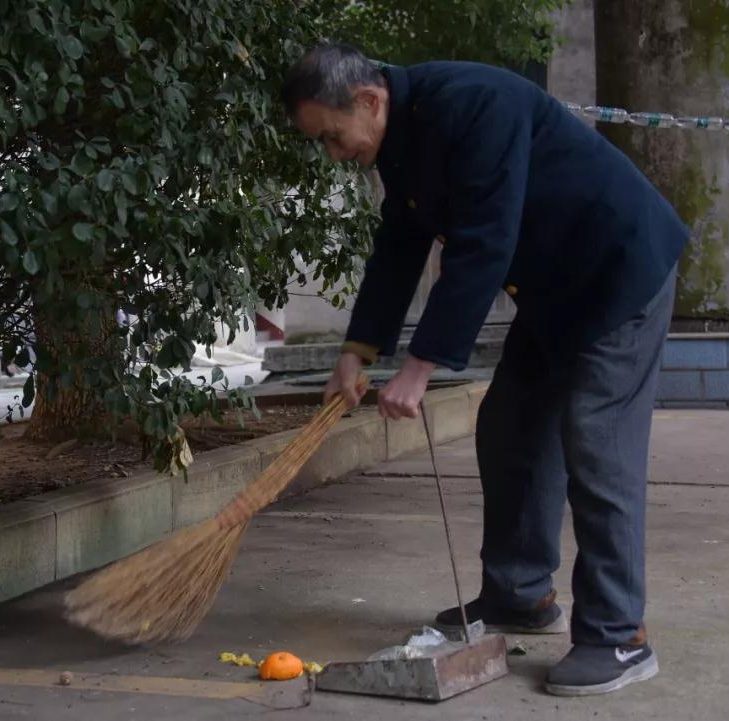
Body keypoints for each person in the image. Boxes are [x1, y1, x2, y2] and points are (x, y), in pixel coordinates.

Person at [281, 44, 689, 696]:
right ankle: (519, 594)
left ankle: (619, 636)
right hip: (556, 289)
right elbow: (401, 242)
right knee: (510, 425)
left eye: (331, 136)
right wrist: (355, 351)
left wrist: (421, 366)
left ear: (367, 100)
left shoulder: (473, 103)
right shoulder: (402, 139)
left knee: (594, 437)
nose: (333, 153)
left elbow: (485, 240)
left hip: (618, 271)